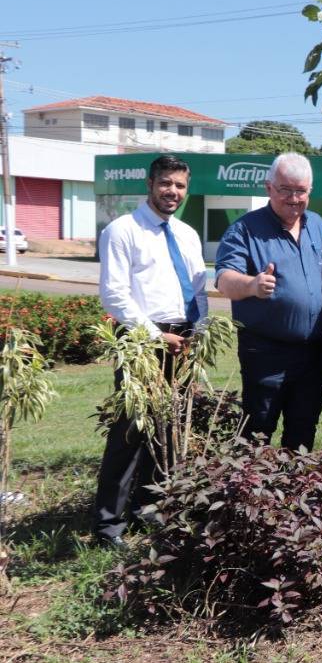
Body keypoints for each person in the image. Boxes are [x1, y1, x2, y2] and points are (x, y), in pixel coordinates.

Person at [95, 154, 208, 547]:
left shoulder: (188, 234)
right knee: (130, 432)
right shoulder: (122, 230)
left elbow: (198, 292)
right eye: (165, 183)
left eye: (179, 185)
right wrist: (156, 337)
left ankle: (150, 509)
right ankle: (109, 526)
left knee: (168, 429)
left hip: (183, 340)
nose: (172, 191)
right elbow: (114, 295)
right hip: (142, 342)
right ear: (149, 184)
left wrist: (199, 336)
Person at [215, 153, 322, 451]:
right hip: (266, 352)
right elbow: (224, 279)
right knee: (257, 430)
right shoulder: (245, 229)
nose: (293, 198)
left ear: (310, 191)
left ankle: (296, 482)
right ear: (269, 188)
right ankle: (250, 483)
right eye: (285, 190)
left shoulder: (318, 225)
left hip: (314, 352)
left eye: (300, 191)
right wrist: (252, 285)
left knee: (303, 430)